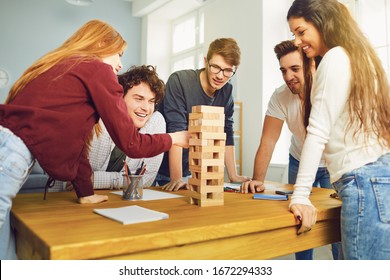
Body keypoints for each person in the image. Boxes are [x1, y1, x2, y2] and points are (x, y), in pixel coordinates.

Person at [0, 19, 189, 260]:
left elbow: (77, 144)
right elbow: (131, 143)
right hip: (11, 153)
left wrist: (85, 192)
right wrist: (174, 139)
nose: (119, 65)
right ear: (100, 44)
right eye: (118, 54)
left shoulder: (64, 67)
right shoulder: (97, 69)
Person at [287, 0, 390, 259]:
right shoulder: (361, 57)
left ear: (322, 22)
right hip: (379, 177)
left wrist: (300, 195)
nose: (297, 42)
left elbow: (318, 132)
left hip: (362, 180)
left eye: (301, 32)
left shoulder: (335, 58)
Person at [240, 40, 340, 260]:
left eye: (295, 69)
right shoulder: (280, 96)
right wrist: (258, 179)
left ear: (311, 65)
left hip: (333, 163)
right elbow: (268, 140)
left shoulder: (330, 90)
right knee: (298, 221)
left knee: (338, 226)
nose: (288, 77)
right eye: (283, 70)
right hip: (299, 159)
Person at [52, 65, 166, 192]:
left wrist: (96, 179)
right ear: (120, 99)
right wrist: (123, 180)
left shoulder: (155, 121)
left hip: (118, 201)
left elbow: (147, 179)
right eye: (139, 99)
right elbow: (71, 178)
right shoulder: (97, 119)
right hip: (70, 198)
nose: (146, 108)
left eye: (151, 101)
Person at [156, 38, 249, 191]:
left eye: (228, 71)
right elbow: (176, 130)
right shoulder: (180, 81)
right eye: (215, 67)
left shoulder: (226, 92)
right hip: (158, 169)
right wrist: (176, 178)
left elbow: (227, 132)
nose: (220, 76)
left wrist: (233, 176)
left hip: (188, 172)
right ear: (205, 61)